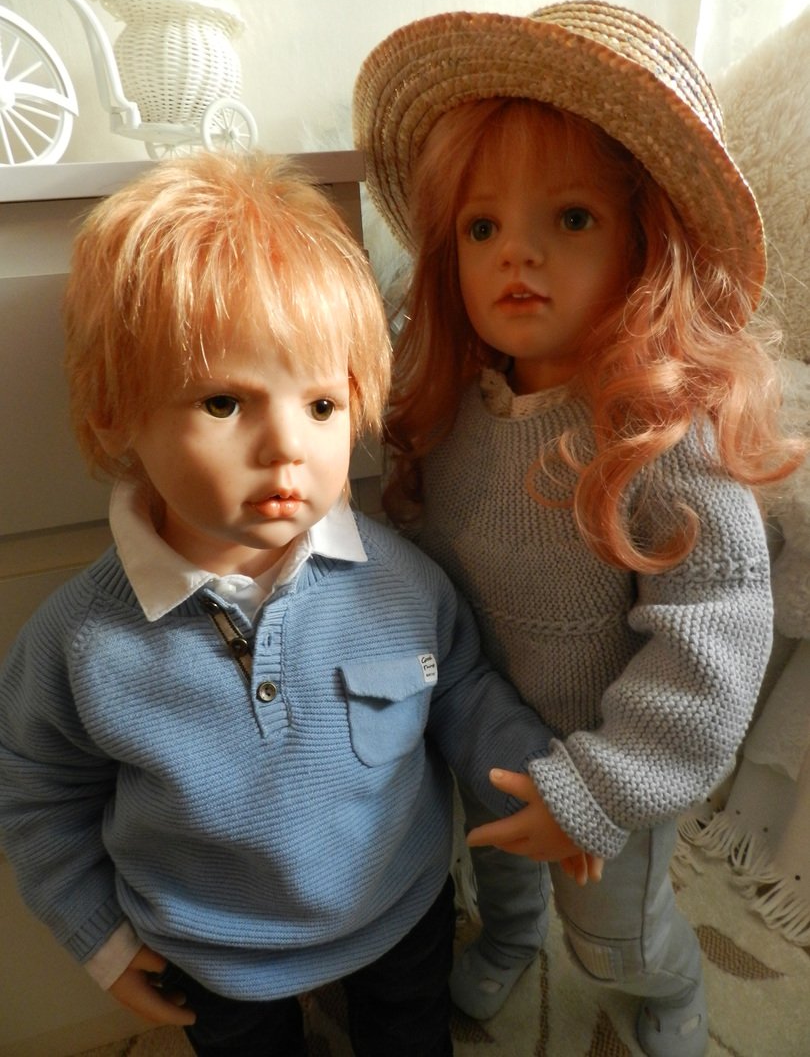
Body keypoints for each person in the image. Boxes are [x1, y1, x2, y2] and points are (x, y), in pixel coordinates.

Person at [0, 152, 597, 1057]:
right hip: (210, 954)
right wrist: (99, 937)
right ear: (119, 412)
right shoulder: (81, 642)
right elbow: (37, 794)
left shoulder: (401, 580)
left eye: (321, 404)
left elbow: (464, 687)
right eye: (223, 401)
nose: (286, 445)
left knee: (411, 1037)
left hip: (402, 905)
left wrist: (548, 782)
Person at [353, 0, 806, 1057]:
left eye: (570, 219)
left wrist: (598, 790)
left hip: (615, 762)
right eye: (482, 228)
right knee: (497, 867)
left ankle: (669, 992)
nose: (517, 253)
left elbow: (711, 645)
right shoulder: (456, 409)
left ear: (648, 245)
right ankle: (512, 940)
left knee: (617, 937)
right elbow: (417, 559)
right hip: (481, 729)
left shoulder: (664, 441)